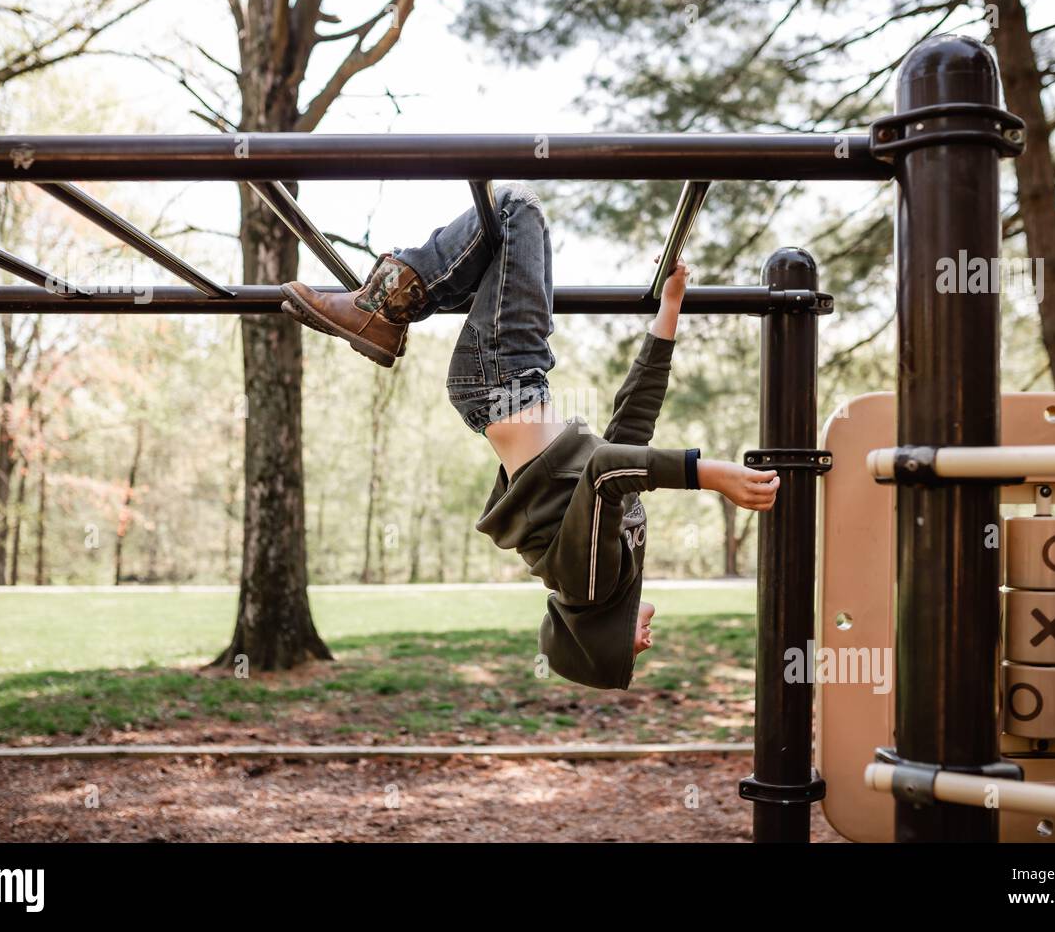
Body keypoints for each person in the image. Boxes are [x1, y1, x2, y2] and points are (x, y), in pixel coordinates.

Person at [280, 182, 779, 689]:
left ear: (596, 639)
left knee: (519, 209)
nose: (646, 645)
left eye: (627, 656)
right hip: (513, 382)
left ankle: (381, 309)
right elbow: (629, 430)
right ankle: (384, 310)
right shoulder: (614, 572)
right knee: (502, 235)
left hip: (502, 382)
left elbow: (606, 473)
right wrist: (670, 308)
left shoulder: (589, 587)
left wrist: (710, 476)